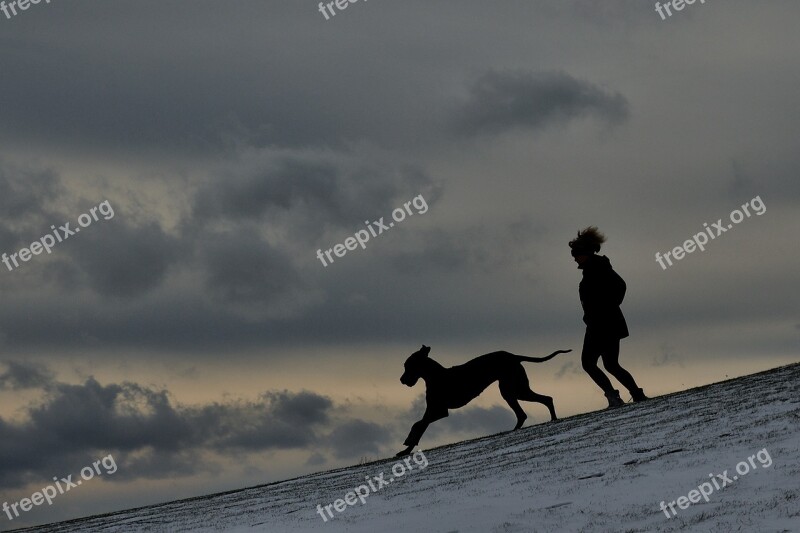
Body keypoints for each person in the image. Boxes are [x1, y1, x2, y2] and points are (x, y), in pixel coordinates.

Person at [569, 227, 648, 407]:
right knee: (611, 364)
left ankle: (615, 397)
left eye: (576, 255)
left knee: (589, 363)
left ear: (585, 253)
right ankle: (635, 394)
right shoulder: (594, 268)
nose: (574, 259)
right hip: (605, 323)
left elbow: (620, 286)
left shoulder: (597, 269)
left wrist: (606, 308)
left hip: (602, 325)